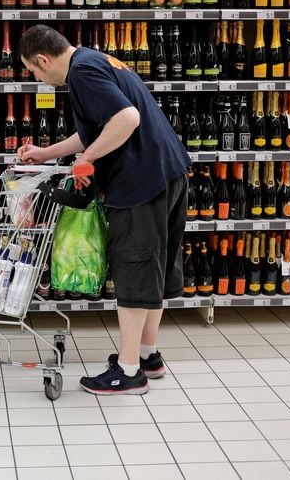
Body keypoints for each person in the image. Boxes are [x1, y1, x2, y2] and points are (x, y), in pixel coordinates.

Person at [17, 24, 191, 396]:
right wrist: (47, 154)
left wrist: (88, 159)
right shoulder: (92, 61)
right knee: (154, 268)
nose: (37, 79)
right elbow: (99, 127)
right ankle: (147, 356)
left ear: (43, 60)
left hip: (141, 183)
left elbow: (127, 119)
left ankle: (128, 373)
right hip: (168, 174)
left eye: (33, 71)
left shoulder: (81, 73)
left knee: (136, 270)